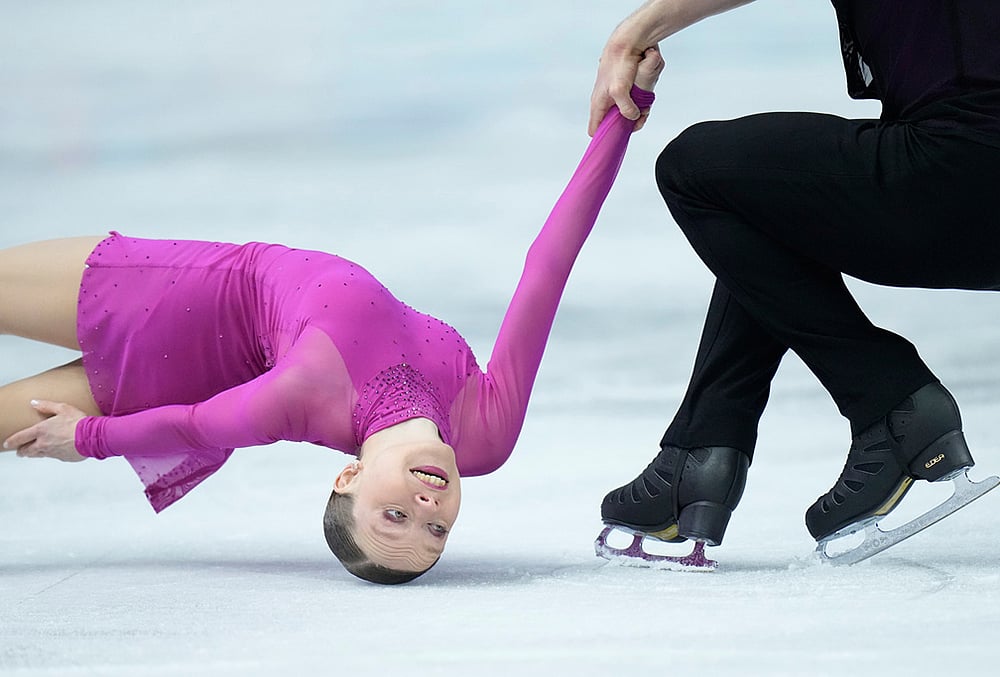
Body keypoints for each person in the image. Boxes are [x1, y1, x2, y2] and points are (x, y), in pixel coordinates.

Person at [0, 49, 663, 585]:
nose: (426, 511)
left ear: (347, 476)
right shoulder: (487, 434)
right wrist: (624, 116)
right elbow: (547, 267)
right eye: (435, 530)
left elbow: (197, 422)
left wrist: (85, 438)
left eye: (394, 515)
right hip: (211, 323)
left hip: (176, 298)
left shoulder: (302, 396)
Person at [591, 0, 1000, 558]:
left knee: (697, 170)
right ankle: (699, 454)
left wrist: (633, 32)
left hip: (961, 172)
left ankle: (893, 405)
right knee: (774, 200)